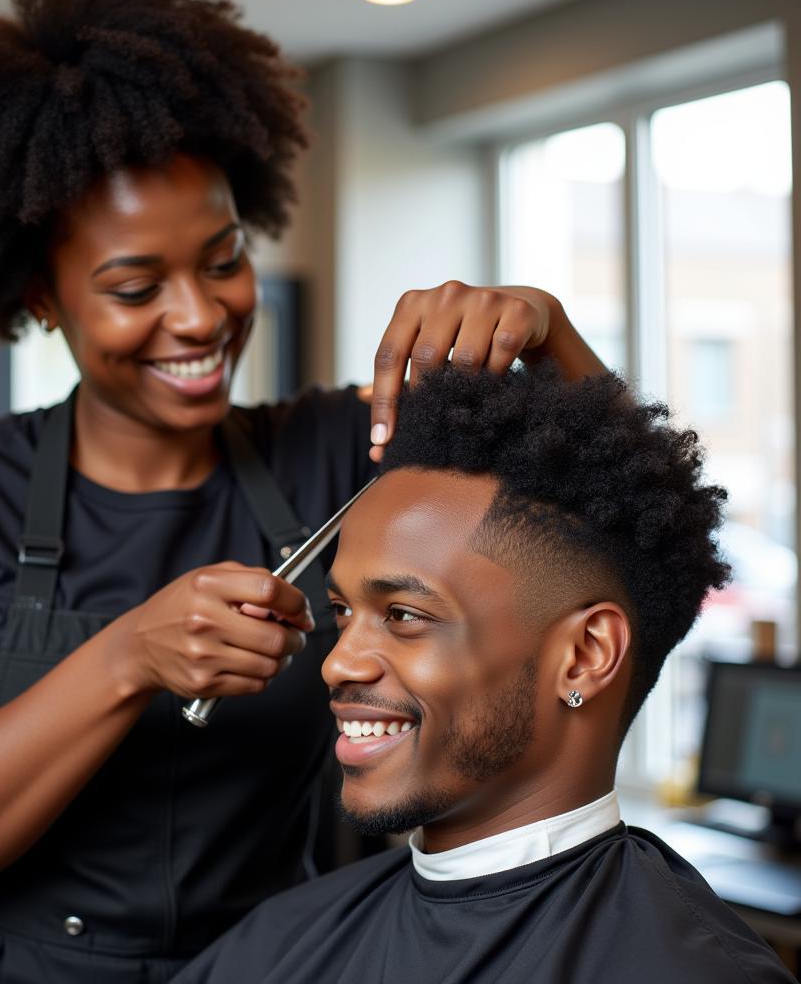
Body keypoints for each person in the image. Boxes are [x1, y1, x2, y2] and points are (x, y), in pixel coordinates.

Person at [0, 0, 608, 981]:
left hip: (265, 963)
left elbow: (627, 517)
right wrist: (126, 659)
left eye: (222, 257)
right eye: (133, 285)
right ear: (41, 298)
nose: (199, 316)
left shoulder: (344, 449)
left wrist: (546, 332)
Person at [175, 362, 795, 984]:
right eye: (341, 611)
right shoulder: (281, 941)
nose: (338, 663)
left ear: (584, 654)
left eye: (404, 615)